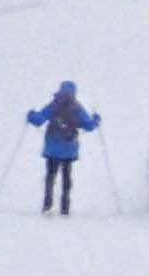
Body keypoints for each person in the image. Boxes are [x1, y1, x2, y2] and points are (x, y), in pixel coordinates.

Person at [26, 79, 101, 215]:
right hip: (69, 149)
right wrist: (96, 119)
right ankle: (65, 208)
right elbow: (89, 126)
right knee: (67, 177)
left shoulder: (54, 105)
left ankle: (47, 205)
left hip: (52, 148)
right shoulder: (77, 107)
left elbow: (38, 120)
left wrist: (31, 115)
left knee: (50, 176)